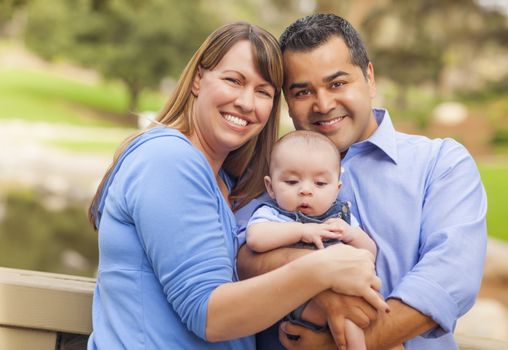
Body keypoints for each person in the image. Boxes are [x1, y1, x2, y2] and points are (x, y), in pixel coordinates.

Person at [86, 21, 388, 350]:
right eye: (234, 80)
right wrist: (321, 270)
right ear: (199, 79)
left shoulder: (227, 181)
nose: (246, 102)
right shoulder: (169, 159)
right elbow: (209, 315)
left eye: (263, 92)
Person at [236, 13, 487, 350]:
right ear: (288, 103)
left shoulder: (441, 163)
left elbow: (449, 279)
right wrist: (323, 282)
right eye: (302, 91)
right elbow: (240, 257)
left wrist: (346, 344)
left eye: (337, 83)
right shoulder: (271, 169)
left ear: (369, 78)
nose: (323, 104)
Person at [246, 130, 379, 350]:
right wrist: (301, 231)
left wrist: (350, 234)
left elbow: (370, 251)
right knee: (342, 313)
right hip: (301, 299)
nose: (305, 190)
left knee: (356, 316)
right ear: (270, 187)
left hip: (346, 293)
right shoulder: (275, 215)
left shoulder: (341, 217)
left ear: (337, 189)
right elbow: (255, 239)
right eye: (291, 181)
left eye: (319, 183)